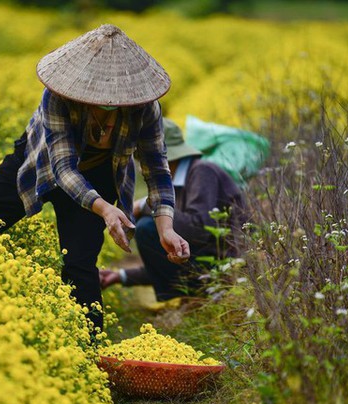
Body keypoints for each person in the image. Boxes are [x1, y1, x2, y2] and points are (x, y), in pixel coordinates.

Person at [0, 24, 190, 334]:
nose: (109, 101)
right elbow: (63, 168)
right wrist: (105, 209)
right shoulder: (58, 97)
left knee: (80, 263)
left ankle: (87, 343)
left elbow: (156, 167)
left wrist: (167, 227)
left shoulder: (145, 108)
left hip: (100, 173)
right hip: (40, 159)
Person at [99, 118, 247, 301]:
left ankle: (194, 300)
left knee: (147, 227)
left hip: (230, 270)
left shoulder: (203, 171)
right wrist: (121, 276)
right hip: (215, 268)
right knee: (153, 228)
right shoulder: (179, 181)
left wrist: (147, 205)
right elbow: (167, 263)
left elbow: (198, 230)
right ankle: (191, 300)